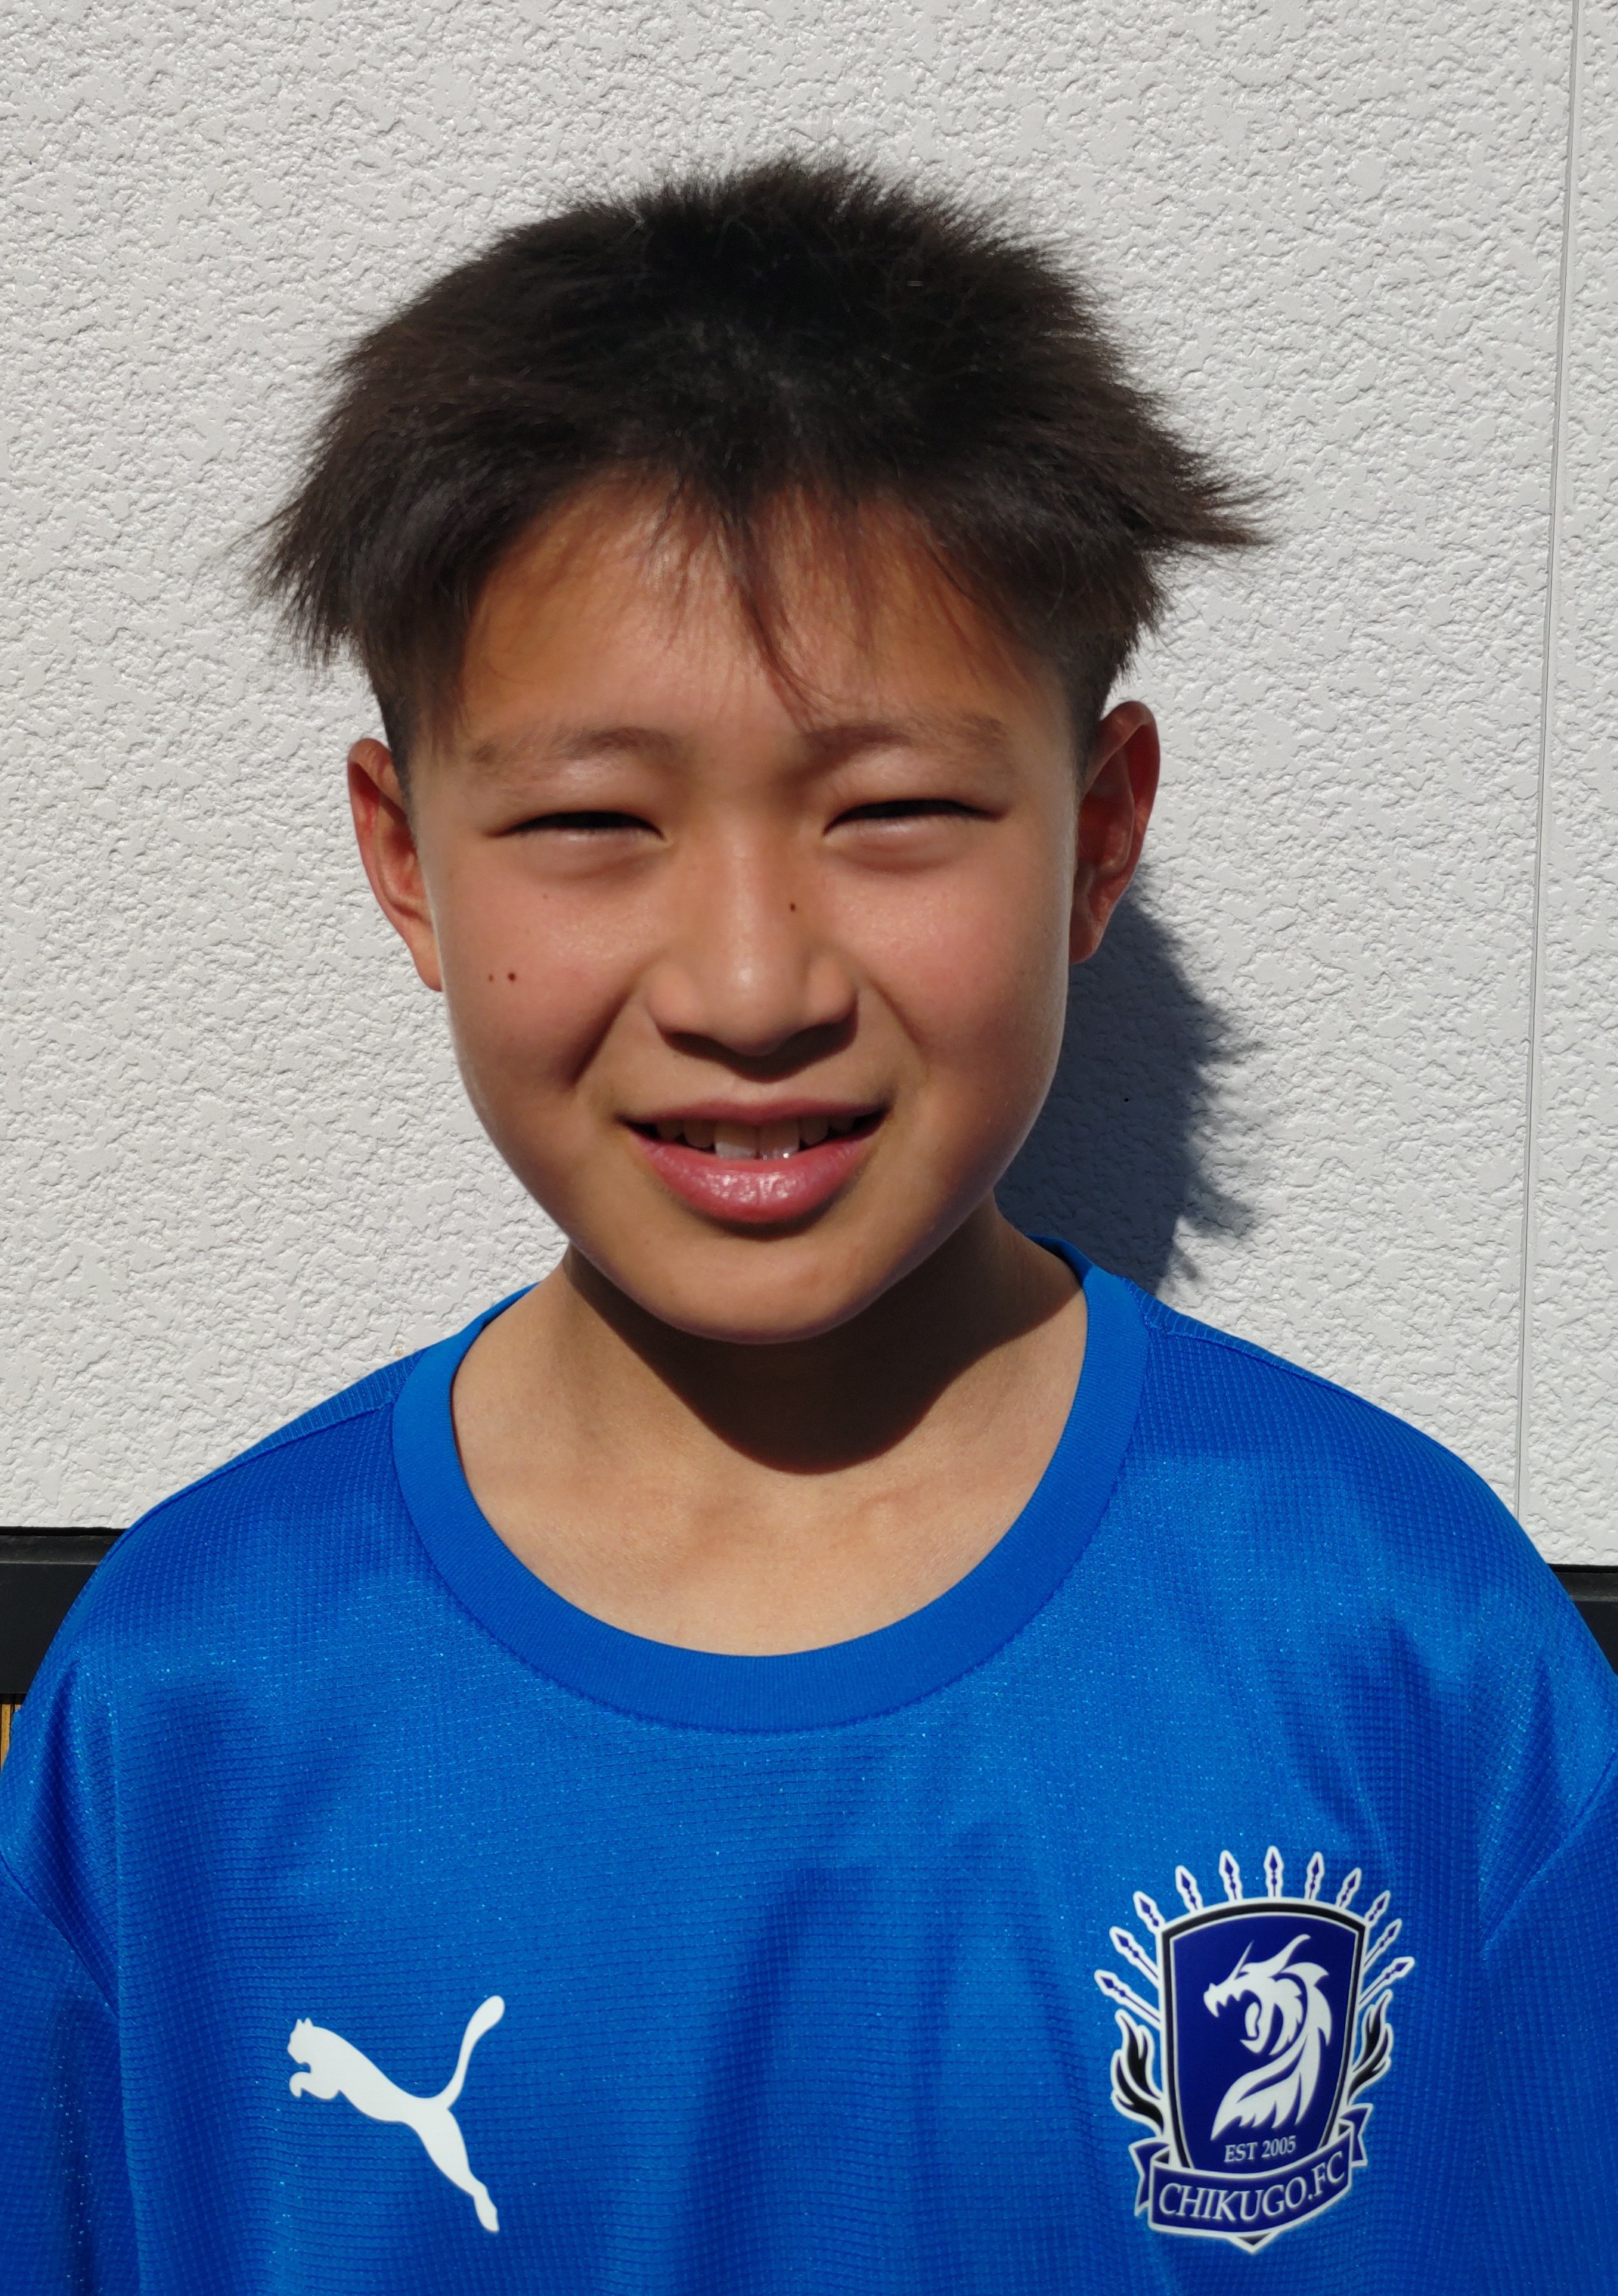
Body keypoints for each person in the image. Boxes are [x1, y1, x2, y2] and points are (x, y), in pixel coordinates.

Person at [2, 156, 1613, 2295]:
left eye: (894, 812)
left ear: (1096, 833)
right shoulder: (196, 1694)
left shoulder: (1402, 1643)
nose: (750, 984)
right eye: (592, 820)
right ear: (406, 859)